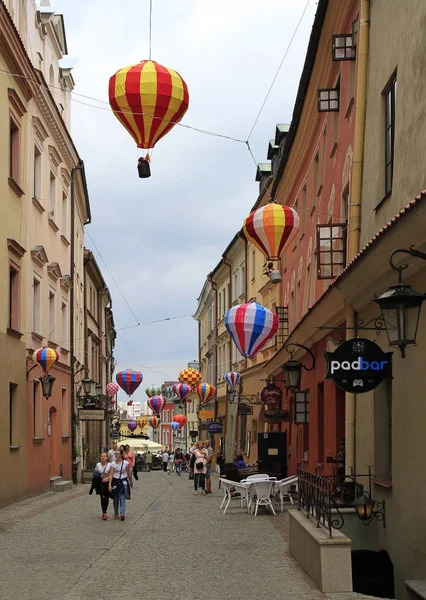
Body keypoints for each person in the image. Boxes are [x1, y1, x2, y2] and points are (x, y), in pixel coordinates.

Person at [108, 448, 133, 521]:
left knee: (122, 497)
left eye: (117, 454)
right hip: (115, 481)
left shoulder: (126, 463)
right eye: (115, 454)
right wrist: (109, 485)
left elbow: (128, 473)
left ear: (121, 455)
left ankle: (122, 513)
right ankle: (116, 513)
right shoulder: (113, 464)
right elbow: (111, 475)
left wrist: (131, 481)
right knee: (115, 498)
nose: (116, 455)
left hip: (123, 481)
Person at [89, 452, 111, 520]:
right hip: (100, 483)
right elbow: (95, 473)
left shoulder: (110, 465)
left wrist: (106, 478)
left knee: (106, 498)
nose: (103, 457)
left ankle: (105, 510)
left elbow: (111, 475)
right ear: (100, 457)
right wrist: (99, 476)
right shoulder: (98, 465)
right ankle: (104, 513)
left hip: (107, 483)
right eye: (102, 456)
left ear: (107, 458)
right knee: (102, 497)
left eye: (105, 456)